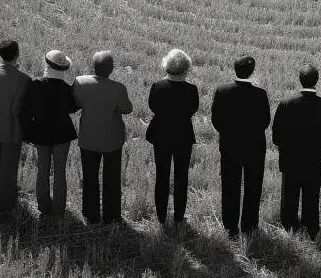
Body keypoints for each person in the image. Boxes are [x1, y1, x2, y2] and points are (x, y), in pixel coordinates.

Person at [211, 55, 271, 237]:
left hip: (230, 146)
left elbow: (216, 120)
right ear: (252, 71)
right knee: (253, 187)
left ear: (234, 69)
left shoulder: (222, 90)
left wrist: (228, 134)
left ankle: (230, 226)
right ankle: (249, 225)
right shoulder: (260, 94)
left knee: (230, 186)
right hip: (254, 147)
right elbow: (265, 122)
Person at [73, 51, 134, 225]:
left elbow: (77, 102)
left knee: (90, 176)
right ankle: (112, 215)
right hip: (112, 139)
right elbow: (127, 109)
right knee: (112, 177)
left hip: (88, 137)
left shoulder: (79, 82)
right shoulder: (118, 88)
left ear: (94, 67)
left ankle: (90, 214)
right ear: (111, 69)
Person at [272, 64, 321, 238]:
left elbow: (276, 134)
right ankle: (311, 227)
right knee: (312, 194)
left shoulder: (286, 102)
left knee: (290, 193)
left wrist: (284, 147)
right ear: (317, 81)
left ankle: (289, 225)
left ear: (299, 80)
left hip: (290, 158)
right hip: (313, 158)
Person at [20, 50, 80, 215]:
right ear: (64, 69)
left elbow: (27, 110)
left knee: (42, 168)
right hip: (62, 132)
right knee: (60, 171)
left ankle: (43, 207)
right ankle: (59, 209)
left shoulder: (36, 84)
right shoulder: (67, 89)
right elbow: (73, 108)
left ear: (46, 64)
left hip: (41, 130)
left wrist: (25, 133)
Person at [146, 48, 199, 226]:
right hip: (183, 136)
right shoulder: (192, 90)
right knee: (181, 176)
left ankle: (161, 215)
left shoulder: (157, 87)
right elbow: (193, 109)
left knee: (162, 175)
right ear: (186, 68)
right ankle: (178, 216)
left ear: (166, 67)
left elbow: (153, 106)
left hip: (160, 135)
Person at [0, 39, 30, 211]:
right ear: (17, 55)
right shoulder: (23, 79)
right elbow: (18, 109)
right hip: (12, 128)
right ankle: (7, 205)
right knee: (8, 168)